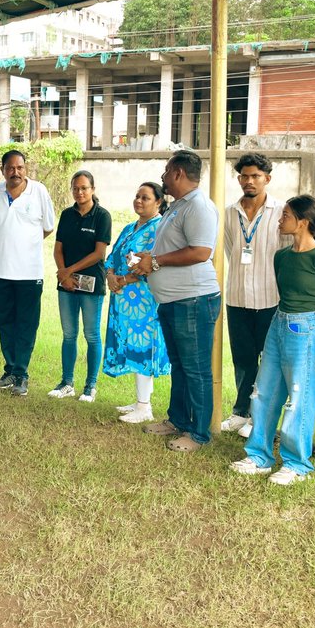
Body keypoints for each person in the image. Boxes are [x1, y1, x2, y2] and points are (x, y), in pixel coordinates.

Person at [230, 195, 315, 485]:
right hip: (279, 324)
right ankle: (259, 456)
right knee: (264, 391)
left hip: (307, 330)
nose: (280, 220)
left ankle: (297, 463)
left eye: (286, 216)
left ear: (303, 222)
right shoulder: (282, 256)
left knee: (299, 397)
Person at [131, 150, 220, 453]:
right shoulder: (178, 207)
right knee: (180, 366)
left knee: (195, 369)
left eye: (167, 171)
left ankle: (198, 433)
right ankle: (178, 420)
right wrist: (150, 260)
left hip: (193, 300)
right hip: (173, 301)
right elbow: (169, 249)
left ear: (179, 173)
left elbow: (201, 252)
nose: (163, 176)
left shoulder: (199, 207)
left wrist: (154, 262)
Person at [221, 153, 289, 438]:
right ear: (239, 179)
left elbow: (287, 255)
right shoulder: (229, 212)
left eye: (255, 176)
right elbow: (229, 250)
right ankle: (241, 411)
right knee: (243, 359)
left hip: (270, 299)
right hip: (237, 298)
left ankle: (262, 416)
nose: (249, 181)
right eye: (244, 176)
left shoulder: (281, 211)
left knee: (270, 362)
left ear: (267, 179)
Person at [0, 150, 56, 396]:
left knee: (26, 324)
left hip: (29, 273)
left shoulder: (39, 192)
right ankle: (10, 370)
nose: (16, 172)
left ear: (26, 169)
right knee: (5, 322)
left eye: (20, 167)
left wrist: (23, 244)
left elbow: (47, 228)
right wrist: (6, 244)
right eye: (11, 168)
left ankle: (22, 374)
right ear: (2, 170)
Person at [104, 182, 171, 422]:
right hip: (123, 299)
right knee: (130, 347)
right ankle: (139, 401)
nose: (139, 201)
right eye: (137, 196)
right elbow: (112, 255)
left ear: (159, 202)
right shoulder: (130, 228)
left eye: (145, 197)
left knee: (143, 347)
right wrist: (111, 276)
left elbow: (148, 265)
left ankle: (144, 407)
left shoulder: (159, 229)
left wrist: (122, 279)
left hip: (143, 301)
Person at [50, 170, 111, 400]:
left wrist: (69, 271)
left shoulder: (102, 216)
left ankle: (90, 386)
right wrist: (64, 276)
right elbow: (58, 249)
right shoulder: (67, 215)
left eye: (84, 188)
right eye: (75, 188)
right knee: (68, 334)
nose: (80, 192)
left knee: (92, 334)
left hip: (91, 283)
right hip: (66, 284)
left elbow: (99, 253)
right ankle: (67, 382)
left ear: (93, 189)